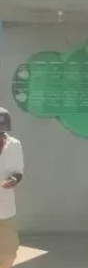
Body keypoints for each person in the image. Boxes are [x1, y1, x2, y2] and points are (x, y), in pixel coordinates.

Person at [0, 107, 24, 268]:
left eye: (1, 133)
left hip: (5, 211)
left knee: (8, 253)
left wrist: (15, 180)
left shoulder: (14, 145)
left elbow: (19, 172)